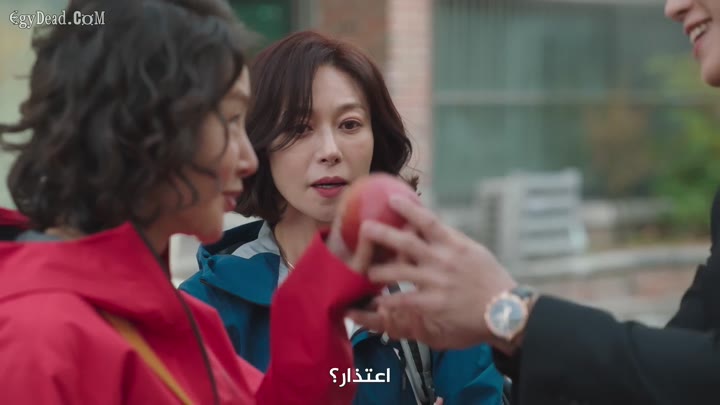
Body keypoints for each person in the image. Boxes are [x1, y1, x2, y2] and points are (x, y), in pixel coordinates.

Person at [0, 1, 381, 404]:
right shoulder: (37, 338)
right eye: (230, 120)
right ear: (144, 126)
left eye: (350, 125)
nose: (249, 159)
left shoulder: (178, 316)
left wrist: (322, 292)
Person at [344, 1, 720, 403]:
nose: (673, 7)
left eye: (349, 124)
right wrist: (510, 322)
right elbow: (660, 382)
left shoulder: (418, 302)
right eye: (302, 127)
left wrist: (512, 314)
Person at [179, 31, 505, 405]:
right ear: (260, 145)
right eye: (299, 128)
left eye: (349, 124)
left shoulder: (434, 286)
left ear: (376, 138)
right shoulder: (206, 308)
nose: (330, 151)